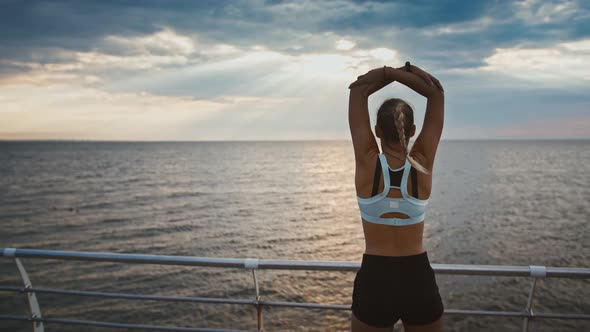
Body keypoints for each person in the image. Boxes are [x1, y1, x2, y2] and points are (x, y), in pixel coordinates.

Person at [348, 62, 445, 332]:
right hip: (417, 277)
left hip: (375, 278)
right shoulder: (422, 164)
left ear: (377, 131)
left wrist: (388, 73)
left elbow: (357, 92)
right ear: (412, 131)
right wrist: (405, 73)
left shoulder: (368, 165)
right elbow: (436, 94)